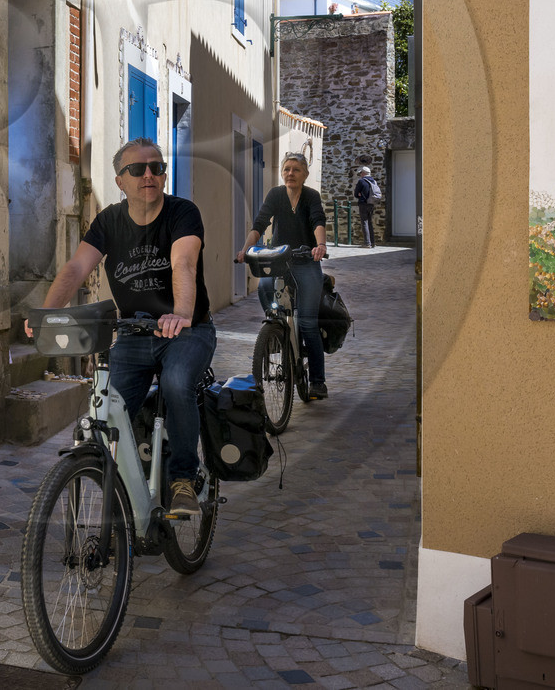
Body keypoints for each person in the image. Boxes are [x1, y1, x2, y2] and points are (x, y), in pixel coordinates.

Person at [28, 137, 215, 517]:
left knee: (178, 384)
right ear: (120, 180)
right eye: (137, 169)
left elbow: (183, 263)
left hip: (187, 330)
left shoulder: (182, 212)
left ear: (163, 175)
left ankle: (183, 477)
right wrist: (47, 313)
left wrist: (180, 313)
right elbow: (77, 268)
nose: (149, 174)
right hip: (134, 333)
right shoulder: (108, 222)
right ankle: (121, 485)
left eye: (157, 167)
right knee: (109, 407)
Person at [236, 153, 329, 400]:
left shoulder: (311, 197)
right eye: (287, 169)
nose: (290, 173)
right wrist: (245, 249)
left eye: (296, 169)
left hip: (306, 260)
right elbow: (260, 224)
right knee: (265, 285)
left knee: (308, 322)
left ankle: (318, 381)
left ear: (305, 174)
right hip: (279, 259)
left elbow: (318, 221)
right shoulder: (276, 195)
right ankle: (276, 329)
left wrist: (320, 246)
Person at [353, 165, 380, 250]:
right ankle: (373, 242)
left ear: (364, 173)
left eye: (361, 173)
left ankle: (367, 243)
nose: (360, 174)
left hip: (363, 204)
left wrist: (360, 194)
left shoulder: (361, 181)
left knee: (364, 222)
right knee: (370, 223)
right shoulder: (374, 181)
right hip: (371, 204)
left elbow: (356, 194)